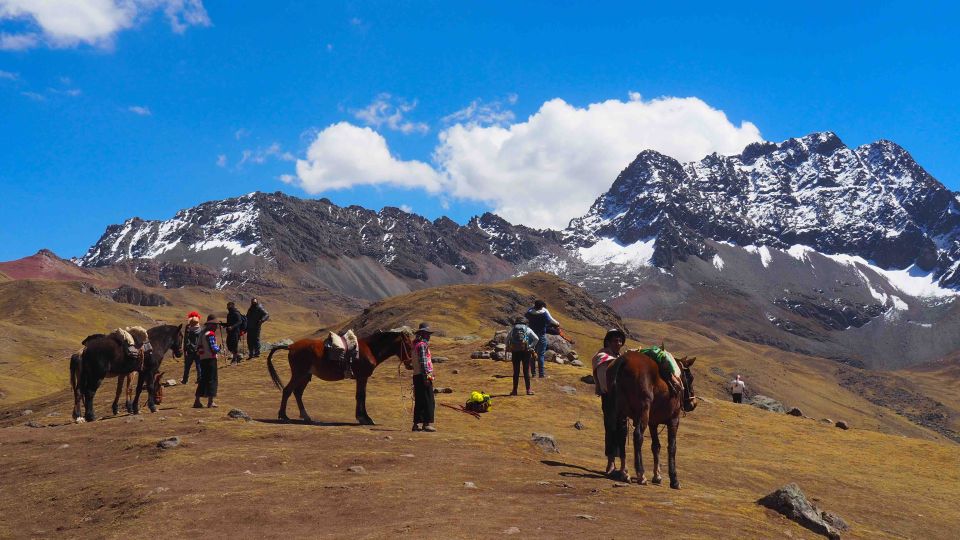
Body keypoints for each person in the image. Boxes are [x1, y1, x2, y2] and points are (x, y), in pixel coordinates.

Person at [593, 328, 628, 479]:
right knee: (611, 428)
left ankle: (623, 464)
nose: (618, 343)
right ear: (608, 342)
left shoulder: (620, 357)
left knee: (623, 430)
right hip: (609, 398)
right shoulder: (602, 356)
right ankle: (611, 462)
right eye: (615, 340)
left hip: (623, 400)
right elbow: (603, 379)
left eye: (620, 341)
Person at [410, 322, 436, 432]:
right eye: (427, 334)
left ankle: (416, 424)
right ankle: (426, 423)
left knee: (419, 400)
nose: (429, 336)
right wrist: (426, 376)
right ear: (423, 334)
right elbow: (424, 362)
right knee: (428, 400)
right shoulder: (422, 345)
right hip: (424, 375)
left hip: (416, 375)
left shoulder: (414, 345)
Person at [526, 299, 560, 379]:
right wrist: (557, 324)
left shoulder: (530, 312)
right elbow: (549, 321)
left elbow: (527, 313)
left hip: (531, 335)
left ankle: (533, 374)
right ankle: (541, 374)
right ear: (542, 307)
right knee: (541, 354)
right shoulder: (544, 314)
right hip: (541, 335)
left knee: (532, 354)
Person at [505, 316, 538, 396]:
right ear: (525, 322)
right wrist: (530, 346)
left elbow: (506, 340)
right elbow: (536, 339)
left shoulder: (513, 329)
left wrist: (509, 347)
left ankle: (514, 391)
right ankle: (528, 390)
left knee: (516, 372)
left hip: (515, 352)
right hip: (526, 352)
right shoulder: (528, 329)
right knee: (526, 371)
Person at [194, 314, 221, 408]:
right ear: (211, 325)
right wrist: (219, 349)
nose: (217, 327)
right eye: (215, 324)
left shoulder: (202, 333)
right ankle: (210, 401)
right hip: (211, 359)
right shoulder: (210, 334)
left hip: (203, 359)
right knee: (212, 379)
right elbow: (213, 348)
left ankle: (197, 400)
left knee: (203, 379)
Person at [181, 311, 203, 384]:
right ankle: (200, 379)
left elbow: (186, 341)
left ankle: (185, 380)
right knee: (198, 365)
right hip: (198, 350)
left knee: (187, 367)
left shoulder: (188, 330)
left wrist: (185, 350)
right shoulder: (201, 330)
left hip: (190, 350)